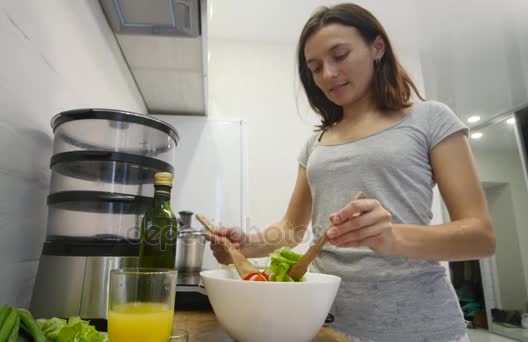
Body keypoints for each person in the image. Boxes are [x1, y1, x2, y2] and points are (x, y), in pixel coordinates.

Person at [208, 3, 495, 342]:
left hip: (420, 328)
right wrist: (247, 244)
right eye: (314, 67)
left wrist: (391, 237)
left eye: (340, 55)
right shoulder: (316, 143)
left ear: (377, 47)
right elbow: (291, 230)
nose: (327, 74)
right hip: (325, 327)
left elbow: (481, 237)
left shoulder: (431, 119)